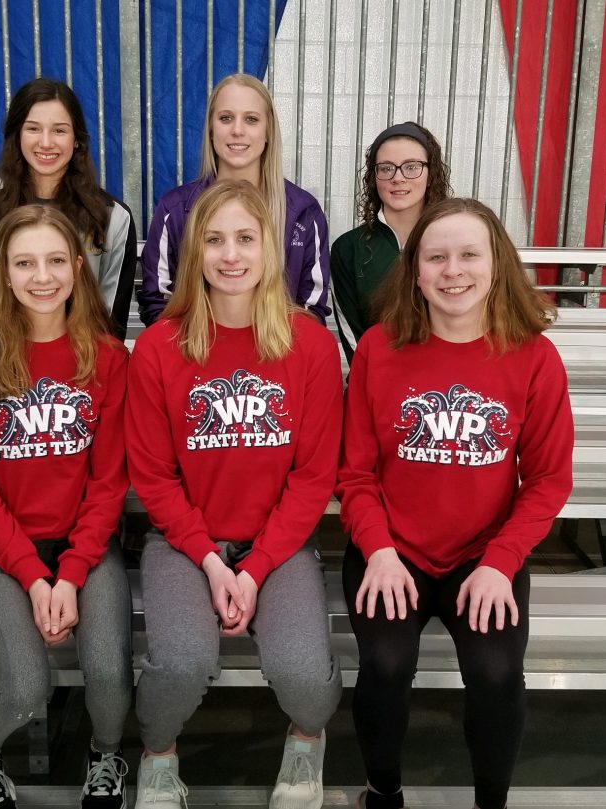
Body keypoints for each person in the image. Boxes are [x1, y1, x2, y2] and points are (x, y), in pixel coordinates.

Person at [337, 198, 574, 809]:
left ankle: (490, 802)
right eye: (435, 257)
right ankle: (382, 792)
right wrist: (379, 552)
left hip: (483, 556)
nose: (453, 271)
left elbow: (548, 480)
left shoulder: (534, 357)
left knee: (497, 675)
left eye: (470, 255)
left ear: (497, 265)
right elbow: (355, 474)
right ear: (414, 271)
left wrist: (501, 562)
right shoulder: (379, 349)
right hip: (392, 550)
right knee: (386, 665)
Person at [126, 180, 342, 809]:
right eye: (214, 240)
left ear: (269, 247)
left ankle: (306, 741)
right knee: (181, 663)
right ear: (193, 252)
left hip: (279, 542)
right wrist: (213, 561)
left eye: (245, 238)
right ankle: (158, 754)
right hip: (183, 541)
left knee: (305, 677)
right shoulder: (159, 348)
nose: (230, 255)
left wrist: (255, 568)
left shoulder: (311, 345)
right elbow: (154, 477)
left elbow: (312, 478)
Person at [0, 205, 132, 809]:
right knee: (24, 690)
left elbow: (108, 484)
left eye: (54, 261)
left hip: (87, 547)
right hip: (2, 551)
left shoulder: (107, 358)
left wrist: (69, 574)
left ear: (77, 267)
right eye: (24, 263)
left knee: (110, 676)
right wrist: (33, 576)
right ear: (1, 271)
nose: (42, 277)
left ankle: (105, 756)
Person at [137, 73, 330, 326]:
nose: (237, 130)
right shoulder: (175, 210)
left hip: (277, 349)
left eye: (251, 119)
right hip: (195, 350)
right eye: (226, 118)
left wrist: (262, 346)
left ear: (268, 131)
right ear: (211, 129)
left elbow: (311, 314)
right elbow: (158, 305)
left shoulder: (303, 212)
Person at [0, 77, 138, 339]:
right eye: (33, 128)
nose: (46, 142)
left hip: (86, 359)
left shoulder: (113, 218)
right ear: (17, 136)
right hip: (7, 359)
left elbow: (111, 322)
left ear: (76, 139)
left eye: (59, 130)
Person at [331, 121, 451, 365]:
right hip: (375, 377)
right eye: (386, 168)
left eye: (411, 167)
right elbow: (353, 336)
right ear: (373, 177)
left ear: (431, 175)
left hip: (446, 380)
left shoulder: (454, 243)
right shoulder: (348, 249)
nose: (398, 178)